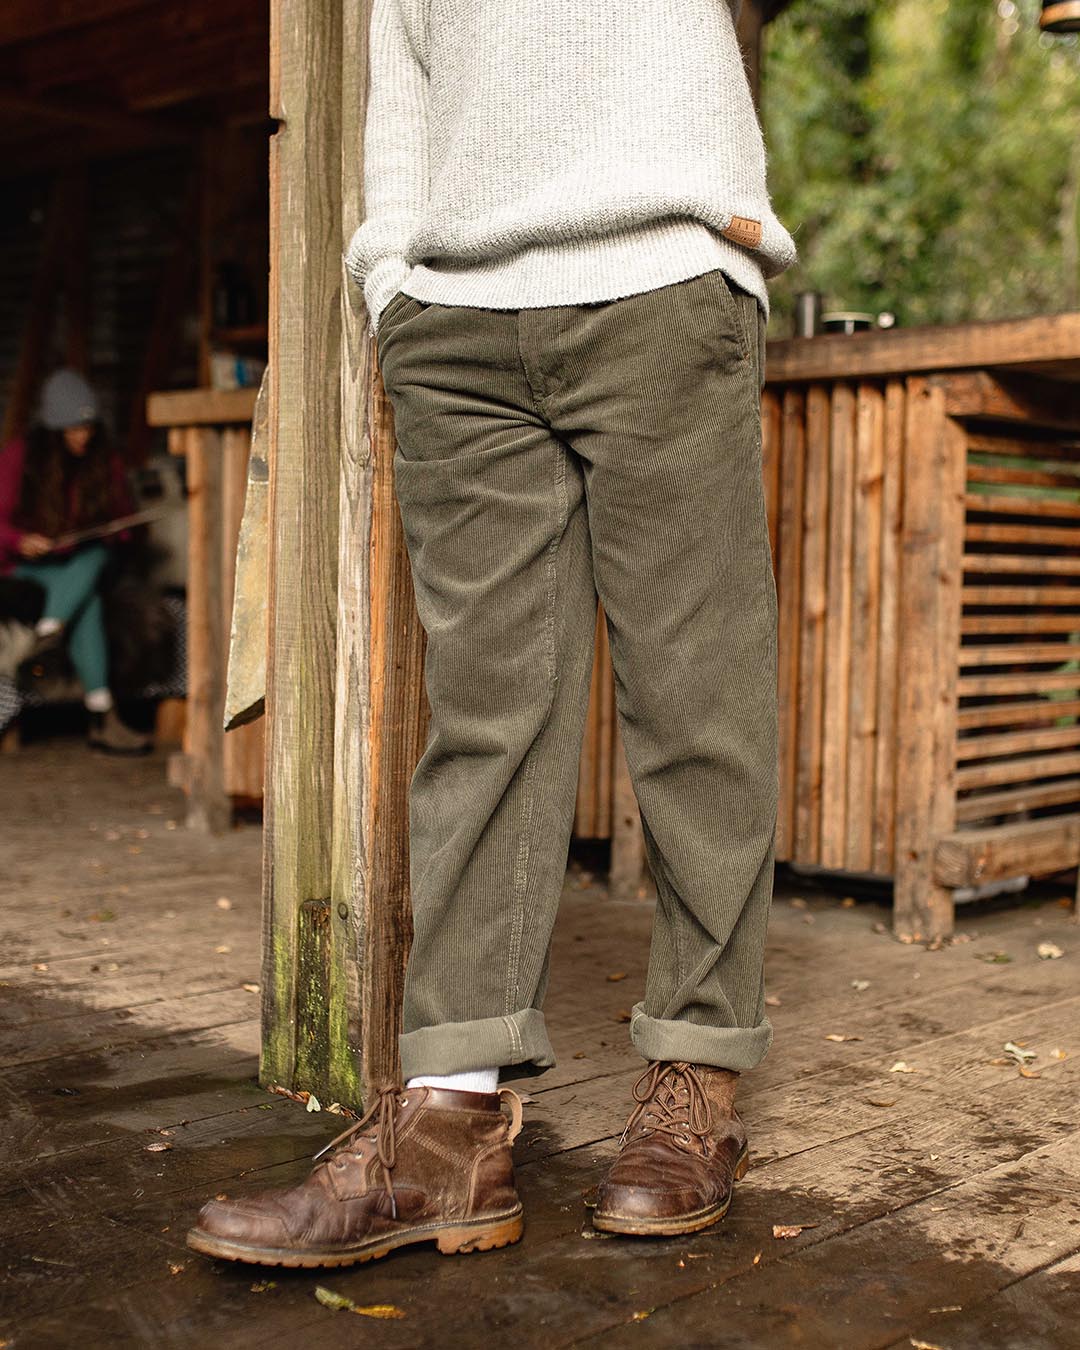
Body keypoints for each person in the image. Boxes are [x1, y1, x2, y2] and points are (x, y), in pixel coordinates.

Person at [188, 0, 796, 1267]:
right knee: (485, 717)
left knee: (698, 701)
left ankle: (696, 1077)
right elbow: (403, 77)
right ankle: (447, 1127)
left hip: (661, 280)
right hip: (455, 324)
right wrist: (394, 279)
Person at [0, 368, 150, 754]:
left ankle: (49, 636)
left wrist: (113, 531)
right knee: (89, 598)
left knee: (94, 560)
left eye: (87, 426)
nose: (83, 435)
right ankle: (102, 718)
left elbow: (126, 523)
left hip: (78, 565)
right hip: (22, 570)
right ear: (53, 429)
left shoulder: (104, 460)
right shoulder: (20, 456)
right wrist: (21, 541)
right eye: (73, 428)